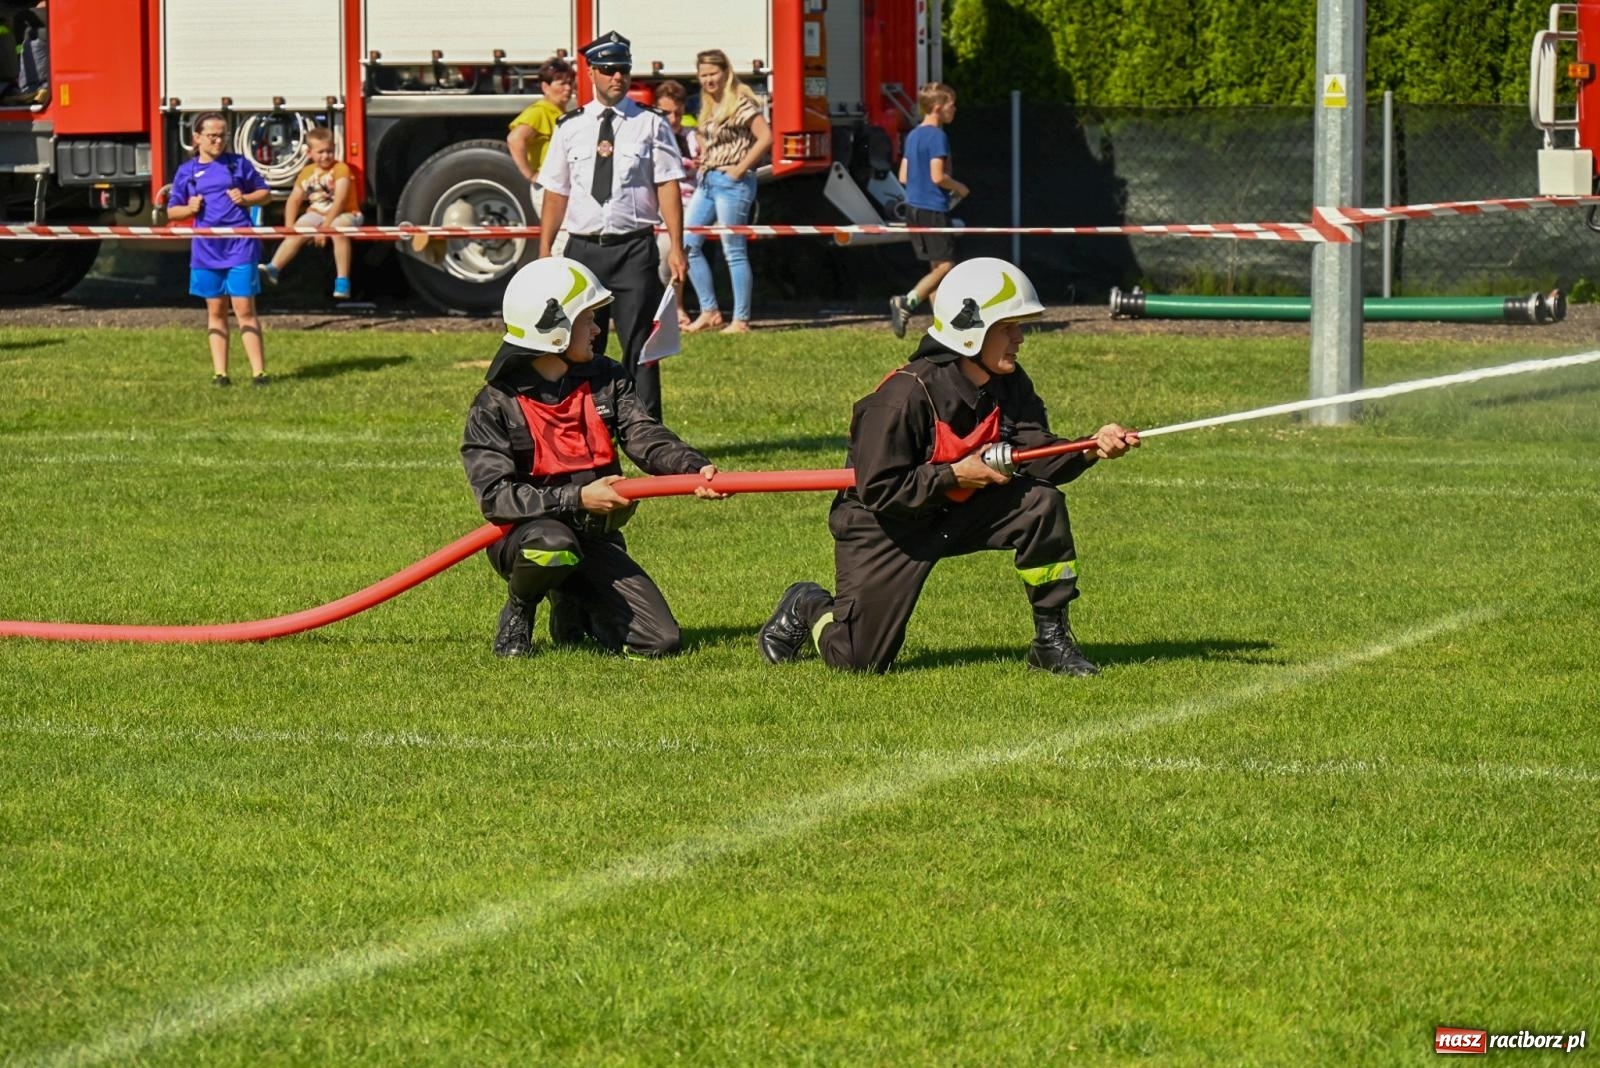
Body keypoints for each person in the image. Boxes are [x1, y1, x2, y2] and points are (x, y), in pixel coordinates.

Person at [757, 257, 1140, 676]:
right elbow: (879, 489)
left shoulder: (1008, 382)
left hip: (956, 510)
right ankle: (806, 603)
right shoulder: (902, 397)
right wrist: (956, 475)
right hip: (885, 523)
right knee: (857, 660)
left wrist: (1090, 448)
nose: (1020, 339)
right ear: (972, 329)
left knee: (1040, 505)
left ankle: (1050, 643)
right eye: (1008, 327)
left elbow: (1034, 451)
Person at [462, 257, 724, 659]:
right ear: (554, 329)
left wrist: (692, 469)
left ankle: (574, 604)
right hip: (529, 540)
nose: (599, 329)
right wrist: (578, 498)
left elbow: (643, 434)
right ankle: (520, 610)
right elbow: (496, 497)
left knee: (660, 641)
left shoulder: (607, 377)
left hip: (596, 535)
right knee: (553, 544)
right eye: (588, 319)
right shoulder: (495, 405)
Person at [536, 31, 686, 422]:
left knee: (642, 346)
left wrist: (678, 246)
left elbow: (668, 184)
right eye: (607, 70)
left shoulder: (649, 124)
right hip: (584, 251)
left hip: (634, 248)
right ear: (591, 73)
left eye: (622, 69)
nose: (616, 77)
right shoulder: (570, 127)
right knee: (580, 346)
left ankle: (647, 430)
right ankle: (585, 423)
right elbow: (556, 192)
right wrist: (543, 251)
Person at [166, 112, 273, 387]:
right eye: (212, 136)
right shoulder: (186, 172)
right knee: (215, 311)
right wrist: (189, 209)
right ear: (197, 138)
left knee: (244, 308)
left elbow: (266, 194)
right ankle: (220, 374)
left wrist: (246, 198)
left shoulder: (239, 165)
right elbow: (172, 211)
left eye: (222, 135)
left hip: (240, 245)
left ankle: (259, 373)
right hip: (206, 249)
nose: (218, 141)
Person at [681, 48, 771, 335]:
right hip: (708, 179)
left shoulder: (741, 103)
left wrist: (740, 168)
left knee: (733, 249)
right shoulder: (709, 105)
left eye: (713, 73)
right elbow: (710, 138)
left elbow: (765, 136)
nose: (708, 80)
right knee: (687, 243)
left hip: (733, 182)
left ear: (725, 72)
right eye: (703, 75)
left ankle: (740, 320)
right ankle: (710, 311)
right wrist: (705, 157)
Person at [888, 82, 969, 339]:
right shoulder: (937, 136)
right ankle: (907, 302)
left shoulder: (913, 135)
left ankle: (942, 327)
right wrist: (960, 188)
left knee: (936, 268)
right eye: (951, 105)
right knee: (946, 266)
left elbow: (902, 175)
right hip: (932, 209)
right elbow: (937, 176)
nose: (954, 109)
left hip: (913, 208)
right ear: (937, 107)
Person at [258, 126, 361, 299]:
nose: (326, 156)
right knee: (300, 227)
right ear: (309, 153)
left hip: (345, 213)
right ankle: (274, 268)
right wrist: (289, 227)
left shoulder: (341, 169)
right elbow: (294, 199)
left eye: (330, 151)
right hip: (317, 212)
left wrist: (325, 229)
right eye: (320, 152)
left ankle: (343, 280)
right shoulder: (307, 172)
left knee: (338, 229)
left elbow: (340, 200)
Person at [507, 57, 575, 256]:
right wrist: (530, 174)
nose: (568, 88)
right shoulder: (540, 111)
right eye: (561, 83)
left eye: (570, 83)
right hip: (548, 187)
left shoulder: (558, 112)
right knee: (561, 242)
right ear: (545, 86)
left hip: (560, 186)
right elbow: (515, 139)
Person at [653, 78, 699, 323]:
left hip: (687, 204)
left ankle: (677, 306)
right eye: (666, 113)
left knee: (672, 252)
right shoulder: (651, 136)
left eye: (678, 114)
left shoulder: (692, 137)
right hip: (655, 203)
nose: (672, 119)